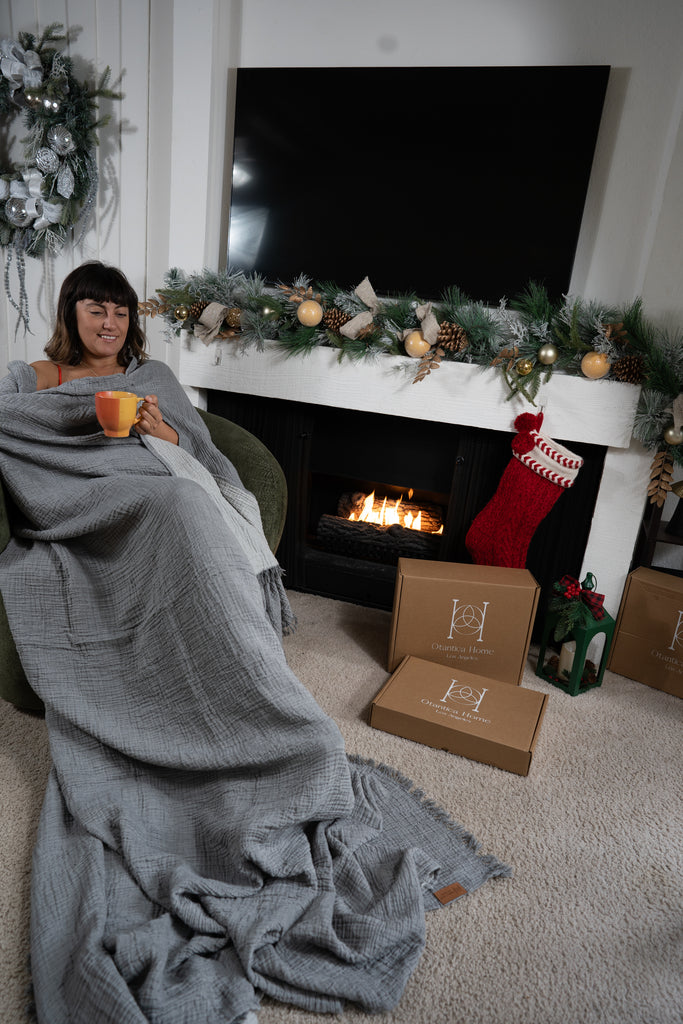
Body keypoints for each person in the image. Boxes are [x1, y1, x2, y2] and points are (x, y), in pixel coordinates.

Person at [0, 262, 508, 1024]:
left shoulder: (156, 376)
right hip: (80, 510)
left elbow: (204, 457)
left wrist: (158, 429)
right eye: (91, 309)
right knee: (167, 505)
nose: (104, 322)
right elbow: (13, 433)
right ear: (70, 315)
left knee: (182, 502)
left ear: (128, 321)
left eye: (116, 311)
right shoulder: (31, 377)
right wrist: (74, 421)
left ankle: (254, 708)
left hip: (158, 491)